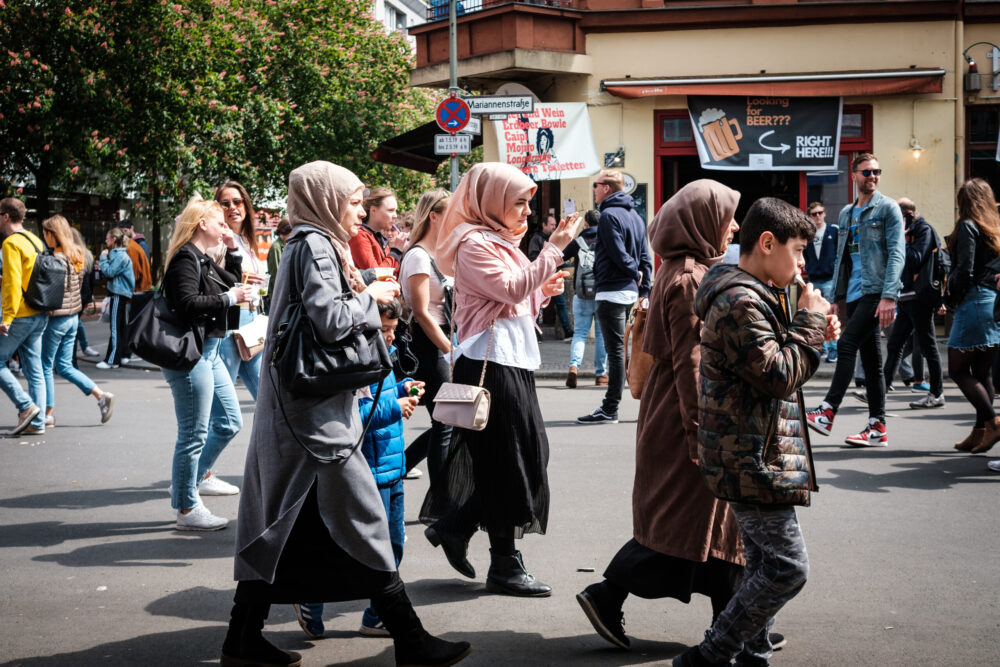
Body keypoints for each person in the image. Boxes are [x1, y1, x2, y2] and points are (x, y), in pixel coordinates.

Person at [225, 161, 470, 667]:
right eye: (355, 200)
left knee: (281, 522)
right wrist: (372, 296)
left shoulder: (308, 241)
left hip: (306, 412)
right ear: (325, 198)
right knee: (363, 518)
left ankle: (242, 639)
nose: (361, 209)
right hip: (315, 419)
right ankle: (410, 639)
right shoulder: (315, 243)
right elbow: (332, 319)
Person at [576, 180, 747, 651]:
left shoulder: (682, 267)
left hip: (675, 414)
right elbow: (695, 364)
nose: (735, 226)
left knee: (709, 523)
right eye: (727, 216)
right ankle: (607, 594)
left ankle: (736, 626)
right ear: (701, 221)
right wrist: (703, 432)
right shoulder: (691, 277)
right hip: (681, 419)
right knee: (684, 523)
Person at [675, 197, 835, 667]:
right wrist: (809, 323)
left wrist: (813, 326)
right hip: (752, 458)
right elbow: (778, 373)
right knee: (788, 568)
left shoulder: (756, 291)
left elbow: (782, 356)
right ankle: (711, 654)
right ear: (767, 243)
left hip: (756, 450)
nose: (804, 263)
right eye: (799, 250)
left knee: (764, 564)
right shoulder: (740, 300)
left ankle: (753, 654)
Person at [418, 162, 579, 598]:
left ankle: (457, 527)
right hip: (491, 366)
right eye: (519, 203)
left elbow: (515, 300)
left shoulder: (497, 241)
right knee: (511, 460)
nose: (527, 213)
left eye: (529, 203)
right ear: (490, 203)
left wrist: (542, 290)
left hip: (510, 361)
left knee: (520, 457)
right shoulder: (473, 244)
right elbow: (509, 290)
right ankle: (503, 564)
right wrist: (554, 250)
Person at [292, 298, 424, 639]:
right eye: (385, 330)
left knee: (393, 544)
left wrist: (402, 388)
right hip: (365, 470)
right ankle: (311, 600)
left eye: (395, 330)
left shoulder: (384, 356)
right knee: (347, 548)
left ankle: (376, 615)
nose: (392, 337)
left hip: (391, 469)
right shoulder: (351, 364)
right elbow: (353, 418)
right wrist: (396, 406)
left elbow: (382, 396)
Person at [162, 196, 250, 531]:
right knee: (193, 433)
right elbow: (187, 303)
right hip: (192, 353)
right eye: (220, 223)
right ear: (202, 224)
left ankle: (189, 483)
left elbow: (231, 281)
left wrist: (233, 250)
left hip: (209, 351)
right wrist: (230, 298)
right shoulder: (186, 257)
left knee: (228, 422)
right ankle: (185, 507)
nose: (226, 227)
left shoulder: (200, 257)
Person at [806, 153, 904, 447]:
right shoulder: (848, 213)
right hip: (853, 293)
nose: (872, 176)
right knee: (873, 363)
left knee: (846, 345)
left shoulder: (888, 209)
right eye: (866, 172)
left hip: (875, 291)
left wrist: (890, 295)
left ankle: (827, 411)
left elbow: (896, 254)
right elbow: (841, 258)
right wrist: (837, 296)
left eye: (876, 171)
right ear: (854, 176)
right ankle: (877, 427)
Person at [577, 169, 653, 424]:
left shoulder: (608, 216)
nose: (594, 190)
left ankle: (610, 408)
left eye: (596, 186)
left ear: (607, 188)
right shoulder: (636, 217)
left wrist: (635, 274)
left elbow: (619, 254)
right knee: (622, 349)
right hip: (630, 293)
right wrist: (644, 288)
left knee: (616, 351)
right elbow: (645, 257)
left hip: (611, 291)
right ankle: (614, 406)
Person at [399, 188, 454, 484]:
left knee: (448, 422)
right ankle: (441, 503)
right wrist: (449, 350)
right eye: (451, 213)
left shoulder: (437, 254)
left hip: (440, 340)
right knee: (447, 421)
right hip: (428, 344)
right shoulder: (418, 256)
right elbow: (420, 312)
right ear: (434, 216)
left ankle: (400, 466)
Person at [39, 215, 114, 427]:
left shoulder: (56, 260)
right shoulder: (76, 256)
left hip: (57, 318)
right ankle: (101, 396)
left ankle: (48, 413)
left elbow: (51, 292)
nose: (44, 238)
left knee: (46, 365)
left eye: (46, 233)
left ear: (53, 234)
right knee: (63, 366)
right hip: (72, 317)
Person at [946, 179, 1000, 454]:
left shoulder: (968, 225)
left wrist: (949, 294)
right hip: (992, 301)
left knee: (956, 369)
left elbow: (965, 271)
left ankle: (993, 421)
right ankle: (981, 433)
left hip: (974, 302)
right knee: (982, 372)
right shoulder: (994, 228)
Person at [882, 198, 946, 410]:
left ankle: (937, 393)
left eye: (896, 217)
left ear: (907, 214)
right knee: (894, 344)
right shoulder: (907, 231)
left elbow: (916, 257)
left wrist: (898, 240)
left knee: (928, 345)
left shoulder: (923, 229)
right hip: (905, 296)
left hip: (920, 298)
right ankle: (880, 390)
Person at [0, 197, 48, 435]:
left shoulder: (10, 243)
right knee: (34, 369)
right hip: (40, 311)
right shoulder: (35, 239)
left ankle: (26, 407)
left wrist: (6, 317)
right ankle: (37, 423)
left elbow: (12, 282)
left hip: (20, 314)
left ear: (6, 216)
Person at [214, 181, 267, 400]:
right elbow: (214, 278)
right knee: (224, 405)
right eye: (225, 204)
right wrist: (243, 278)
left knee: (265, 396)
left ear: (246, 205)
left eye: (237, 201)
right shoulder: (219, 239)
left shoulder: (247, 240)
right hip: (231, 317)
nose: (232, 208)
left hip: (252, 317)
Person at [563, 209, 607, 388]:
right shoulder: (605, 240)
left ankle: (574, 367)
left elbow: (561, 258)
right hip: (602, 294)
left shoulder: (578, 242)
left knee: (580, 333)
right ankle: (601, 374)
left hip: (581, 295)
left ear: (586, 224)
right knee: (601, 335)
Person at [803, 201, 839, 362]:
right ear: (810, 216)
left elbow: (839, 253)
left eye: (819, 213)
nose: (817, 216)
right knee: (816, 314)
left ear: (824, 213)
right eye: (813, 214)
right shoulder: (808, 234)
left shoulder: (833, 230)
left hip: (829, 278)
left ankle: (833, 349)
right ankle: (821, 347)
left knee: (830, 313)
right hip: (814, 278)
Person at [96, 227, 135, 370]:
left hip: (118, 293)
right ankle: (123, 355)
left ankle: (112, 360)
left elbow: (109, 272)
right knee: (120, 326)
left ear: (113, 240)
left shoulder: (118, 255)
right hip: (121, 293)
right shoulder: (120, 255)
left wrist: (102, 258)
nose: (105, 241)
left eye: (107, 238)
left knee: (115, 327)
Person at [529, 212, 572, 340]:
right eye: (552, 224)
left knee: (561, 304)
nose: (554, 227)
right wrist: (546, 259)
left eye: (555, 224)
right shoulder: (536, 239)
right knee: (538, 304)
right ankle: (537, 335)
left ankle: (568, 332)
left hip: (553, 276)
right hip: (540, 278)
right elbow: (532, 257)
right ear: (544, 225)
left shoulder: (552, 238)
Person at [349, 186, 405, 275]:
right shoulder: (359, 235)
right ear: (373, 210)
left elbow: (395, 274)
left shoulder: (380, 238)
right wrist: (395, 251)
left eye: (395, 211)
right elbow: (375, 275)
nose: (395, 215)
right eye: (390, 210)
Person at [72, 228, 100, 359]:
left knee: (74, 322)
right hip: (83, 295)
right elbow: (91, 279)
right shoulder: (87, 254)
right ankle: (84, 347)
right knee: (76, 322)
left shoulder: (70, 254)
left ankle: (80, 348)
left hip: (75, 295)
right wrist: (89, 297)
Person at [120, 219, 153, 293]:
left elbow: (144, 266)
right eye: (122, 232)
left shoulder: (141, 244)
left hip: (139, 286)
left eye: (125, 231)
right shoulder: (126, 244)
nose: (124, 234)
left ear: (131, 228)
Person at [265, 217, 292, 302]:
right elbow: (275, 274)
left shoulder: (286, 245)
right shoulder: (276, 247)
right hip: (279, 295)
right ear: (286, 231)